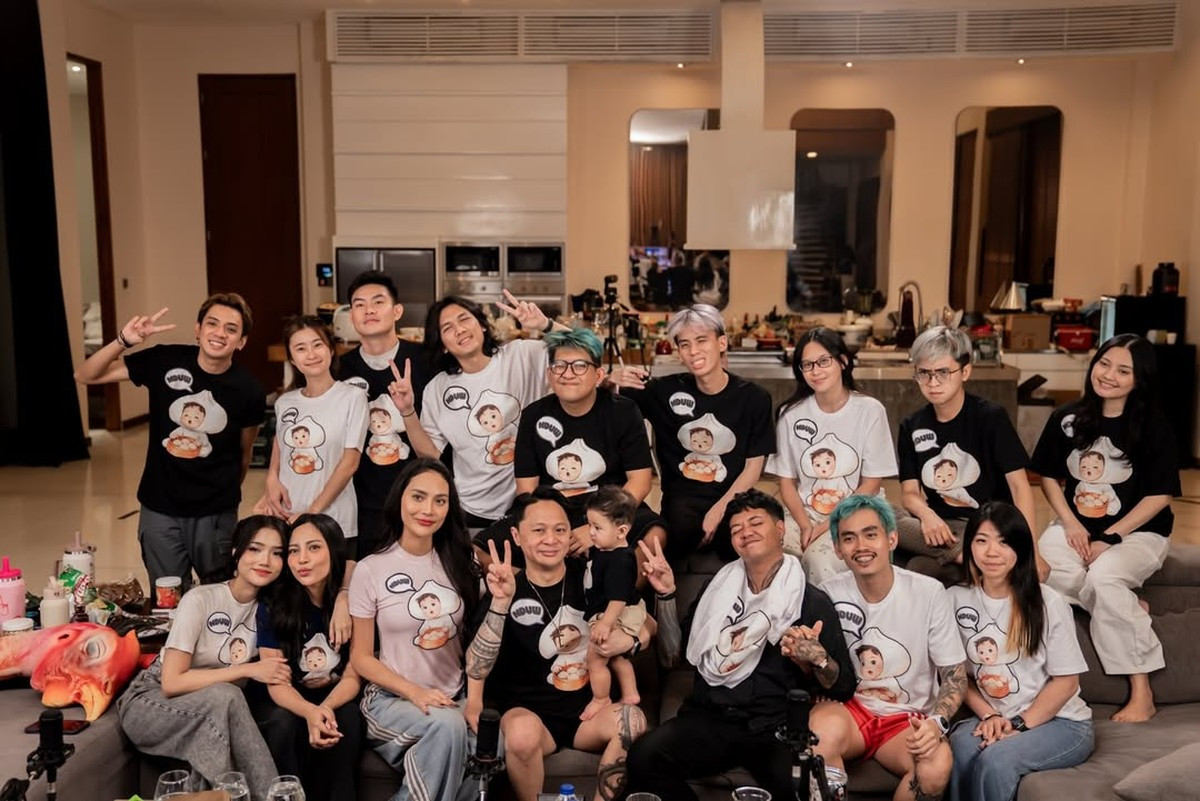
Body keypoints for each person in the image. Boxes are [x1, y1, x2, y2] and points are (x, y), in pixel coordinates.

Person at [624, 489, 856, 801]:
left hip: (775, 726)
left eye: (756, 523)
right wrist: (666, 594)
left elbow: (843, 687)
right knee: (643, 757)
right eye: (736, 529)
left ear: (780, 529)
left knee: (800, 788)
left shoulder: (810, 600)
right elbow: (673, 657)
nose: (746, 532)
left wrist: (818, 658)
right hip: (710, 718)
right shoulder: (715, 590)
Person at [1030, 334, 1179, 723]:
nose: (1109, 375)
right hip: (1077, 527)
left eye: (1123, 370)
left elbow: (1160, 496)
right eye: (1104, 364)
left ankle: (1142, 693)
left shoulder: (1154, 427)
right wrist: (1070, 522)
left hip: (1139, 532)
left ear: (1139, 379)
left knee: (1104, 579)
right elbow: (1048, 477)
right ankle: (1122, 604)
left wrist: (1111, 537)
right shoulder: (1067, 418)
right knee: (1040, 572)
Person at [464, 488, 647, 801]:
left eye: (560, 530)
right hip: (530, 715)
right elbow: (476, 662)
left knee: (633, 722)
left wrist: (630, 640)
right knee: (521, 735)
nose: (551, 539)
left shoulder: (592, 574)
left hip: (589, 713)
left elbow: (645, 624)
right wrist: (500, 603)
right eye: (539, 530)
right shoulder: (507, 587)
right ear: (517, 536)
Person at [73, 295, 266, 588]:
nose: (219, 333)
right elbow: (85, 375)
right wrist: (123, 341)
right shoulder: (165, 360)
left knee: (220, 596)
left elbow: (244, 454)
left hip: (215, 515)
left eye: (231, 329)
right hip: (159, 509)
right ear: (198, 329)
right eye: (212, 324)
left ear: (242, 342)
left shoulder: (249, 389)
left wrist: (218, 497)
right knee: (168, 600)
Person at [118, 515, 289, 799]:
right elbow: (171, 683)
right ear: (235, 552)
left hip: (211, 708)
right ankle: (274, 795)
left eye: (277, 553)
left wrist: (344, 597)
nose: (265, 561)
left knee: (224, 705)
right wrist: (246, 670)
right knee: (227, 695)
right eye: (255, 549)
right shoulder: (200, 599)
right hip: (150, 701)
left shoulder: (272, 609)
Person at [810, 494, 967, 801]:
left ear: (892, 538)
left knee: (936, 766)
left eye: (871, 535)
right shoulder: (827, 593)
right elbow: (821, 670)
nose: (861, 546)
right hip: (849, 711)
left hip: (906, 719)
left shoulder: (929, 592)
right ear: (838, 549)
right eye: (849, 538)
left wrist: (936, 724)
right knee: (818, 735)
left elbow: (955, 675)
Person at [473, 326, 666, 571]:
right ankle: (534, 588)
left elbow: (640, 482)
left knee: (655, 536)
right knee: (479, 549)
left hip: (608, 506)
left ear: (598, 375)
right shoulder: (533, 415)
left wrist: (599, 525)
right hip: (551, 507)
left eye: (579, 366)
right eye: (559, 365)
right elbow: (526, 489)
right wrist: (551, 529)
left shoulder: (623, 411)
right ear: (549, 374)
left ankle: (619, 594)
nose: (567, 374)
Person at [348, 458, 481, 801]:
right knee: (448, 727)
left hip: (453, 697)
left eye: (440, 500)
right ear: (400, 499)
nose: (428, 510)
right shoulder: (370, 568)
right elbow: (361, 658)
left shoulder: (463, 562)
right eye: (418, 497)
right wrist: (415, 692)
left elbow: (480, 640)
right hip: (391, 700)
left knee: (489, 746)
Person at [946, 502, 1094, 801]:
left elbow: (1067, 683)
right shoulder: (953, 599)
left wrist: (1018, 725)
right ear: (969, 546)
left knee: (996, 759)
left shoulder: (1048, 602)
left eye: (1004, 542)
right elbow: (956, 675)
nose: (992, 552)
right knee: (961, 747)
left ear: (1021, 548)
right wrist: (989, 715)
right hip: (995, 715)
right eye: (982, 540)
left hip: (1061, 722)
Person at [385, 291, 568, 530]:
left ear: (482, 325)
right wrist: (407, 411)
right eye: (448, 328)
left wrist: (546, 324)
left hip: (533, 504)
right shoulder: (438, 388)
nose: (459, 330)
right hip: (471, 510)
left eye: (464, 319)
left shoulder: (521, 356)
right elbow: (430, 454)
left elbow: (587, 349)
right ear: (443, 345)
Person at [611, 304, 775, 562]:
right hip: (681, 504)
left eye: (701, 340)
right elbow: (596, 389)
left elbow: (753, 468)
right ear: (678, 352)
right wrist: (610, 379)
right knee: (675, 531)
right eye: (684, 344)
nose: (693, 351)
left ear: (722, 343)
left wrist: (720, 510)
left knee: (745, 537)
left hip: (734, 497)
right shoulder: (663, 391)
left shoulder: (754, 398)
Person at [895, 326, 1042, 583]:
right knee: (881, 514)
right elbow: (909, 494)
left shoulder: (990, 417)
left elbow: (1020, 487)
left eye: (943, 372)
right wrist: (928, 517)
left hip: (987, 527)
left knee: (917, 566)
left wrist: (1031, 553)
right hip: (939, 526)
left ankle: (971, 559)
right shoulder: (912, 425)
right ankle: (973, 562)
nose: (933, 383)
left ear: (965, 371)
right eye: (924, 373)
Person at [768, 327, 897, 584]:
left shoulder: (870, 410)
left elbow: (871, 484)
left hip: (858, 510)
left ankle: (828, 612)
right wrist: (805, 525)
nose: (815, 371)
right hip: (804, 512)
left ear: (843, 361)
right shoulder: (789, 414)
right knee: (769, 549)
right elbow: (786, 483)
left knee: (819, 560)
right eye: (807, 365)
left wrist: (826, 526)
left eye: (824, 361)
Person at [254, 514, 364, 801]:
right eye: (293, 550)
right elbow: (276, 683)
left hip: (337, 694)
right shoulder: (274, 603)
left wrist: (324, 709)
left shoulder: (355, 599)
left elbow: (353, 675)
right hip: (287, 697)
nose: (302, 559)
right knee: (283, 722)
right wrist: (309, 712)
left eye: (314, 548)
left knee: (348, 718)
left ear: (333, 551)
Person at [336, 272, 433, 559]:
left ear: (397, 311)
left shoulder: (426, 360)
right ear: (351, 316)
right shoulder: (338, 369)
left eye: (378, 302)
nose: (369, 310)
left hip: (419, 498)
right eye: (359, 304)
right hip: (360, 500)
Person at [258, 316, 367, 544]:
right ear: (292, 359)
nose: (311, 354)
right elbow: (281, 443)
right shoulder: (285, 402)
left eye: (317, 345)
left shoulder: (353, 397)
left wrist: (311, 513)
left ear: (331, 349)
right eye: (300, 348)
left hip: (334, 520)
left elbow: (350, 463)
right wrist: (271, 477)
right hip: (286, 515)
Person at [581, 487, 648, 720]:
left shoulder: (620, 560)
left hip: (619, 612)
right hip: (616, 610)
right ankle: (630, 694)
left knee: (595, 659)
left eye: (597, 528)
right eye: (589, 525)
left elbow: (618, 599)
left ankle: (601, 698)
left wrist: (605, 624)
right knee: (617, 657)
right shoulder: (606, 550)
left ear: (621, 531)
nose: (590, 533)